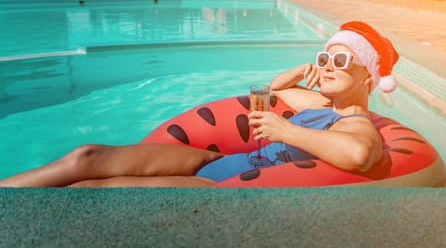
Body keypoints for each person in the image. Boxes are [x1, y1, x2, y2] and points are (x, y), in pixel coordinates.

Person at [0, 21, 399, 188]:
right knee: (87, 155)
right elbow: (275, 88)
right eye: (326, 57)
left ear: (368, 76)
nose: (329, 66)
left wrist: (286, 131)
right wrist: (303, 68)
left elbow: (360, 154)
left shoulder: (355, 125)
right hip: (210, 162)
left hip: (218, 184)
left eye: (341, 60)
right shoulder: (316, 103)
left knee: (93, 189)